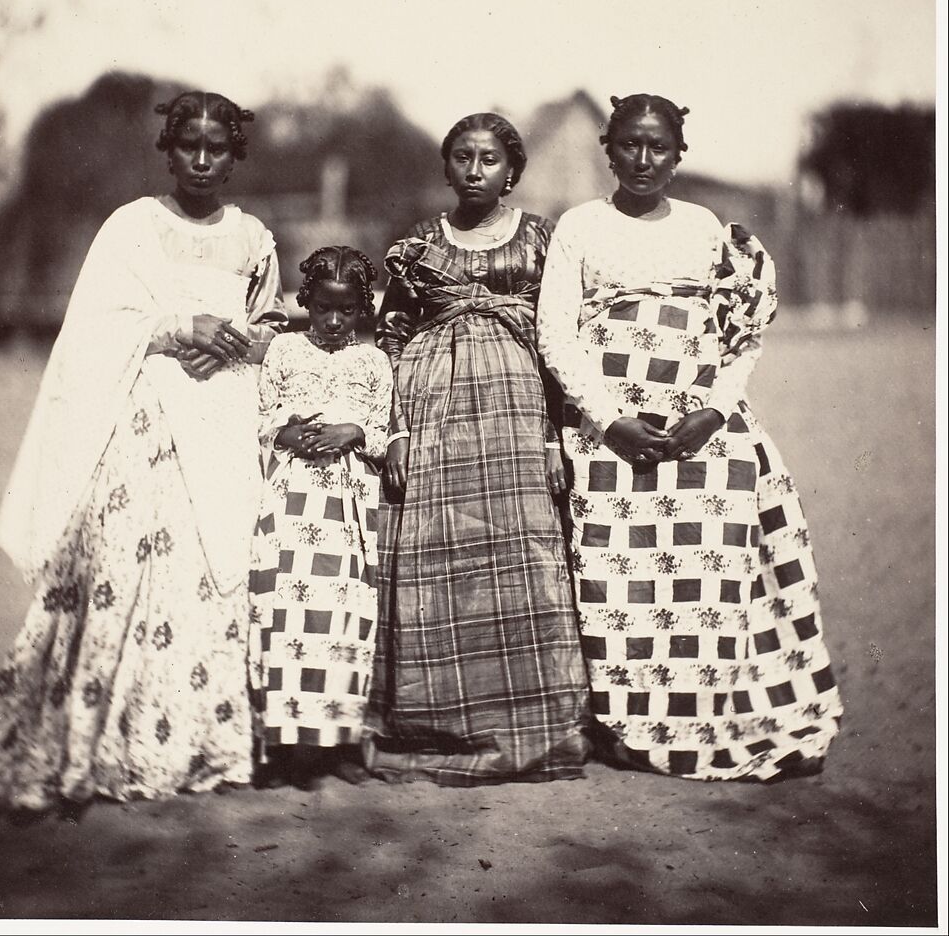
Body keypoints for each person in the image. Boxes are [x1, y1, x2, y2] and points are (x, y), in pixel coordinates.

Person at [0, 90, 288, 810]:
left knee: (210, 567)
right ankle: (80, 745)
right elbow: (94, 326)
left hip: (218, 415)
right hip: (142, 415)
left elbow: (268, 323)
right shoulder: (132, 227)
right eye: (188, 144)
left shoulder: (254, 236)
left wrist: (237, 345)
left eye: (217, 147)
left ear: (235, 155)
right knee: (116, 564)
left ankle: (192, 743)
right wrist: (178, 327)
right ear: (167, 149)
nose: (202, 158)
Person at [537, 92, 843, 781]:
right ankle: (629, 722)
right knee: (621, 577)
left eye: (658, 148)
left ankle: (714, 711)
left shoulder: (706, 228)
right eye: (629, 146)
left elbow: (740, 335)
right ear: (607, 149)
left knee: (716, 562)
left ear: (678, 156)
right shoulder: (579, 226)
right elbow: (555, 332)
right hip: (608, 426)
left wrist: (712, 411)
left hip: (699, 422)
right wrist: (608, 417)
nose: (643, 160)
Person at [363, 113, 590, 786]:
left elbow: (558, 344)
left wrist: (555, 437)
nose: (473, 169)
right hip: (432, 415)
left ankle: (535, 727)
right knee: (437, 553)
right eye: (461, 156)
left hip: (517, 422)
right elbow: (392, 339)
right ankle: (431, 725)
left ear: (511, 170)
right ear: (447, 166)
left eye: (488, 159)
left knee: (519, 554)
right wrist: (396, 430)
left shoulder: (542, 243)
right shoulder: (416, 247)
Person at [248, 247, 392, 790]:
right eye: (324, 309)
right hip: (292, 500)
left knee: (344, 617)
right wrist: (286, 433)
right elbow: (262, 416)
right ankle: (283, 746)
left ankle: (339, 742)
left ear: (362, 310)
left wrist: (352, 432)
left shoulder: (373, 361)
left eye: (348, 311)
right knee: (286, 613)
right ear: (306, 303)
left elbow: (380, 428)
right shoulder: (285, 351)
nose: (334, 322)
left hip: (348, 504)